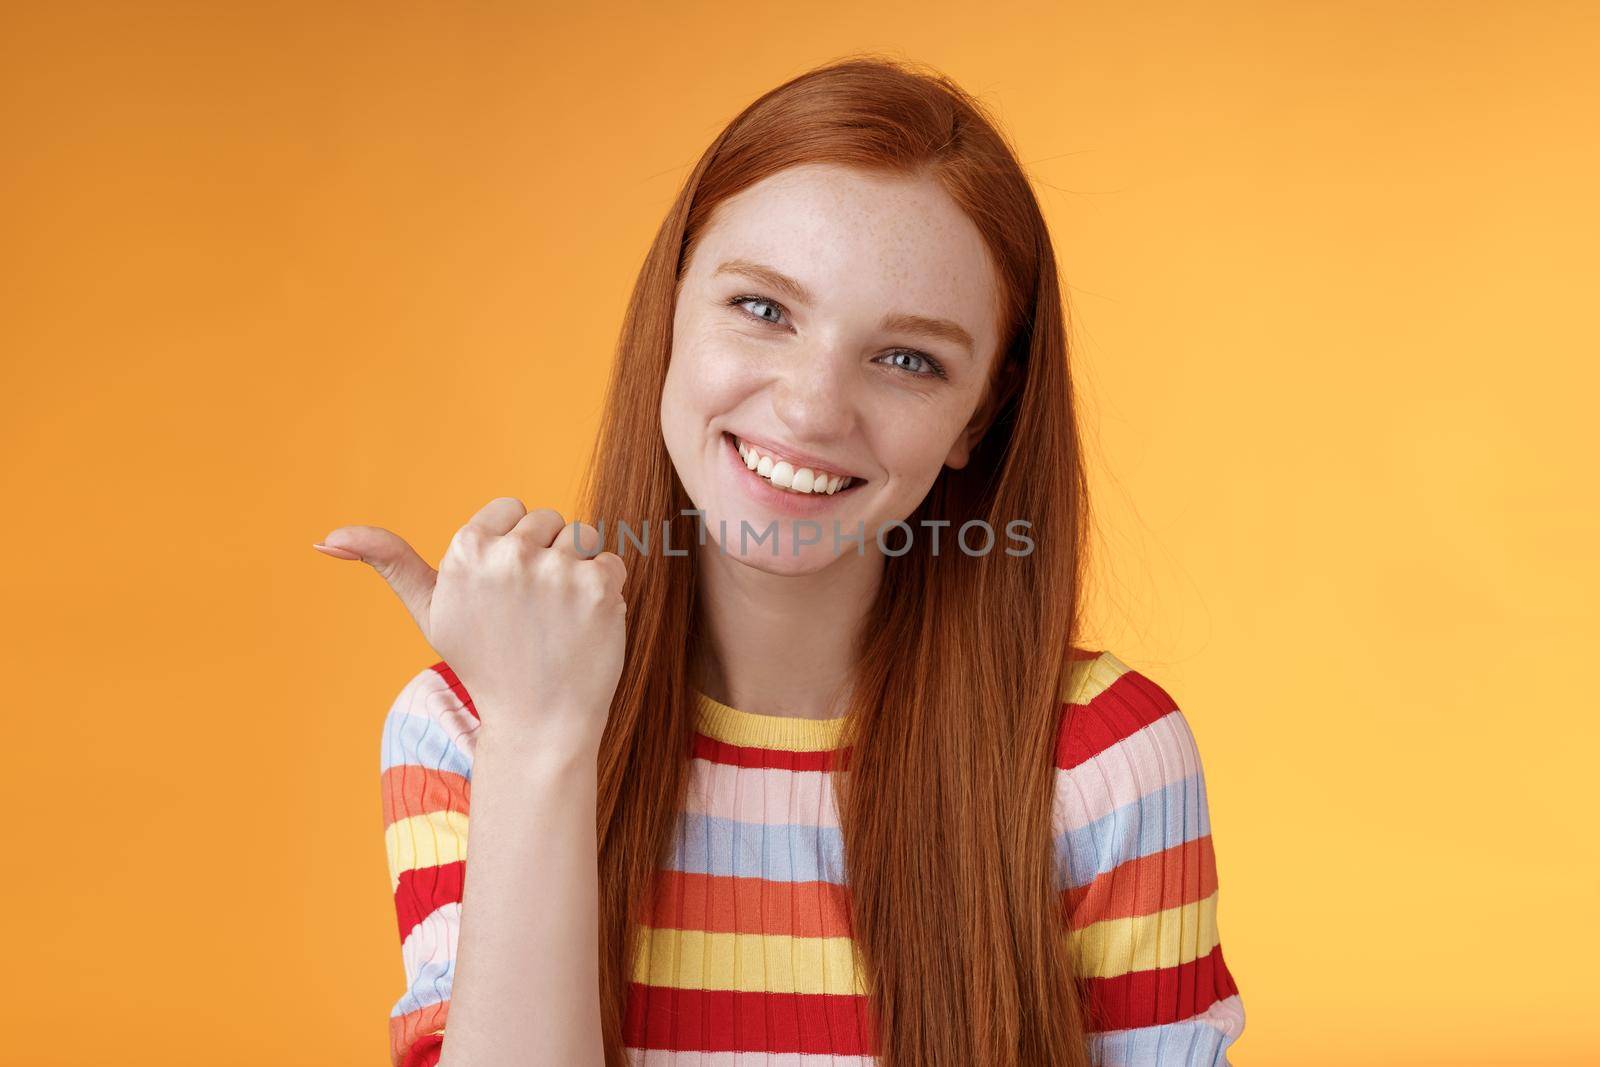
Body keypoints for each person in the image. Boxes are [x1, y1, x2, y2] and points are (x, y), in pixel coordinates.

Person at [315, 54, 1246, 1067]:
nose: (810, 407)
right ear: (670, 303)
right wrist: (538, 736)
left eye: (907, 359)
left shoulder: (1101, 763)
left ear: (978, 414)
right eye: (762, 308)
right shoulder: (469, 725)